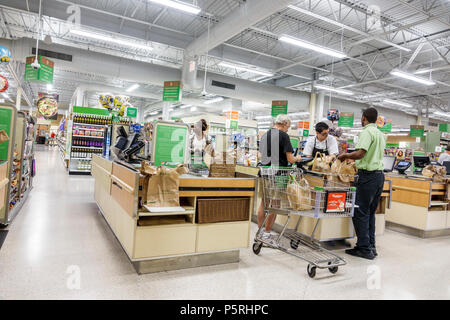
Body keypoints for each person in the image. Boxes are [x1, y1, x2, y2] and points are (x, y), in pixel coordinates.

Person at [338, 107, 386, 260]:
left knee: (360, 211)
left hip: (367, 176)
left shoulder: (366, 132)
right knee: (370, 213)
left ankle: (364, 248)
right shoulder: (380, 134)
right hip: (379, 177)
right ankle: (371, 246)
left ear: (364, 118)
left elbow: (361, 153)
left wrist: (345, 155)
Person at [257, 114, 302, 242]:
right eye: (288, 126)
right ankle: (267, 232)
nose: (288, 129)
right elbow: (290, 159)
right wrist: (298, 158)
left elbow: (261, 155)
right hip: (279, 175)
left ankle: (260, 231)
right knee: (275, 204)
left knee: (263, 203)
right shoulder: (284, 136)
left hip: (265, 173)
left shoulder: (265, 135)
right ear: (284, 124)